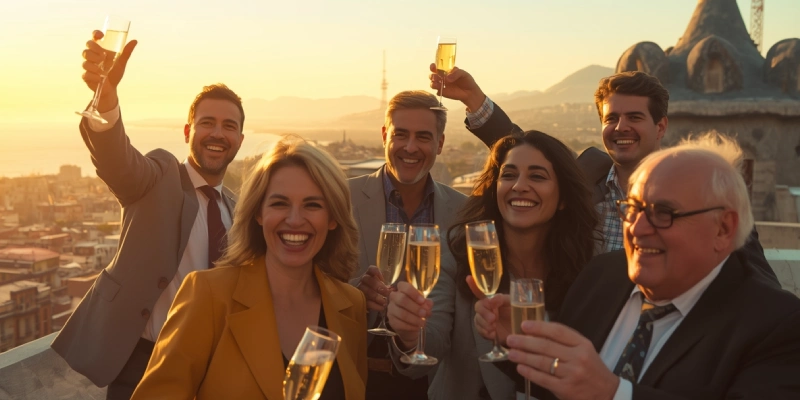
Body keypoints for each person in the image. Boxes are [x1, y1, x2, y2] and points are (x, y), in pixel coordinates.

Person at [485, 133, 800, 399]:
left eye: (664, 213)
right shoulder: (600, 276)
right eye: (633, 209)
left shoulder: (776, 326)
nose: (637, 228)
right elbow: (566, 384)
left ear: (723, 228)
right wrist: (521, 344)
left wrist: (613, 393)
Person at [429, 65, 778, 284]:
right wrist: (475, 99)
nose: (621, 127)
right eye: (611, 118)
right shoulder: (587, 176)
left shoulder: (702, 191)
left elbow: (759, 280)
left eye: (634, 118)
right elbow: (527, 152)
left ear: (661, 126)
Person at [51, 31, 246, 399]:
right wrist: (106, 99)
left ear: (239, 140)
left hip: (213, 369)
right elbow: (118, 161)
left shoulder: (236, 210)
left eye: (229, 126)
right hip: (143, 364)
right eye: (207, 123)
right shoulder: (160, 176)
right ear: (188, 131)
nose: (217, 134)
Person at [130, 137, 367, 400]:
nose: (294, 220)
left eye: (313, 205)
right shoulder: (208, 296)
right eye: (279, 203)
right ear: (258, 213)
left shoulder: (351, 306)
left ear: (333, 218)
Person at [386, 130, 598, 399]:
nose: (519, 186)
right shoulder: (456, 254)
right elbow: (432, 342)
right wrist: (409, 334)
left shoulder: (590, 267)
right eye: (508, 175)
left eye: (537, 176)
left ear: (564, 198)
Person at [349, 90, 467, 399]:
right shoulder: (342, 199)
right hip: (353, 379)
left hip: (430, 383)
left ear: (440, 143)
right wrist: (355, 294)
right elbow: (311, 284)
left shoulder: (464, 213)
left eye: (423, 137)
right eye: (400, 134)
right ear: (384, 135)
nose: (410, 147)